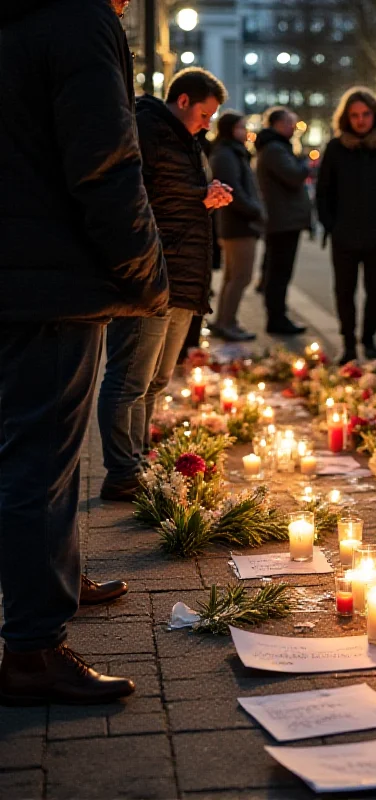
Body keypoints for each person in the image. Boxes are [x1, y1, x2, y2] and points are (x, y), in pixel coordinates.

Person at [0, 0, 168, 704]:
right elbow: (105, 159)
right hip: (52, 283)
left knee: (30, 452)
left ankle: (52, 583)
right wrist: (145, 268)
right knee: (40, 459)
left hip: (19, 271)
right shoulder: (77, 21)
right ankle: (34, 649)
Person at [97, 67, 232, 501]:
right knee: (129, 377)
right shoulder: (147, 130)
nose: (208, 123)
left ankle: (138, 456)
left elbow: (177, 198)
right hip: (148, 272)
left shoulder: (185, 141)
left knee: (156, 378)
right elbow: (134, 197)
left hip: (181, 272)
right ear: (184, 101)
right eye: (206, 114)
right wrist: (198, 196)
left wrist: (205, 197)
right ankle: (122, 470)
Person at [316, 87, 376, 364]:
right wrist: (332, 225)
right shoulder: (336, 148)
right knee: (344, 292)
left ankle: (369, 339)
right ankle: (349, 343)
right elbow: (323, 191)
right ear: (346, 118)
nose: (361, 120)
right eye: (354, 115)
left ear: (374, 115)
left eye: (365, 114)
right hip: (345, 235)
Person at [256, 106, 312, 335]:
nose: (294, 128)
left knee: (277, 270)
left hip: (282, 218)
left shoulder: (274, 148)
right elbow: (294, 176)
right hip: (283, 220)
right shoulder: (275, 149)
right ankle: (277, 318)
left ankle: (278, 315)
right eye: (290, 123)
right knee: (279, 272)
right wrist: (305, 163)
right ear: (278, 124)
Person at [209, 110, 264, 342]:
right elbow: (234, 191)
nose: (246, 131)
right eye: (242, 127)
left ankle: (225, 320)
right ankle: (227, 323)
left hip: (238, 224)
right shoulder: (227, 154)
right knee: (241, 276)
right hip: (238, 225)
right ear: (232, 129)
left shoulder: (233, 152)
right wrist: (256, 210)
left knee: (234, 276)